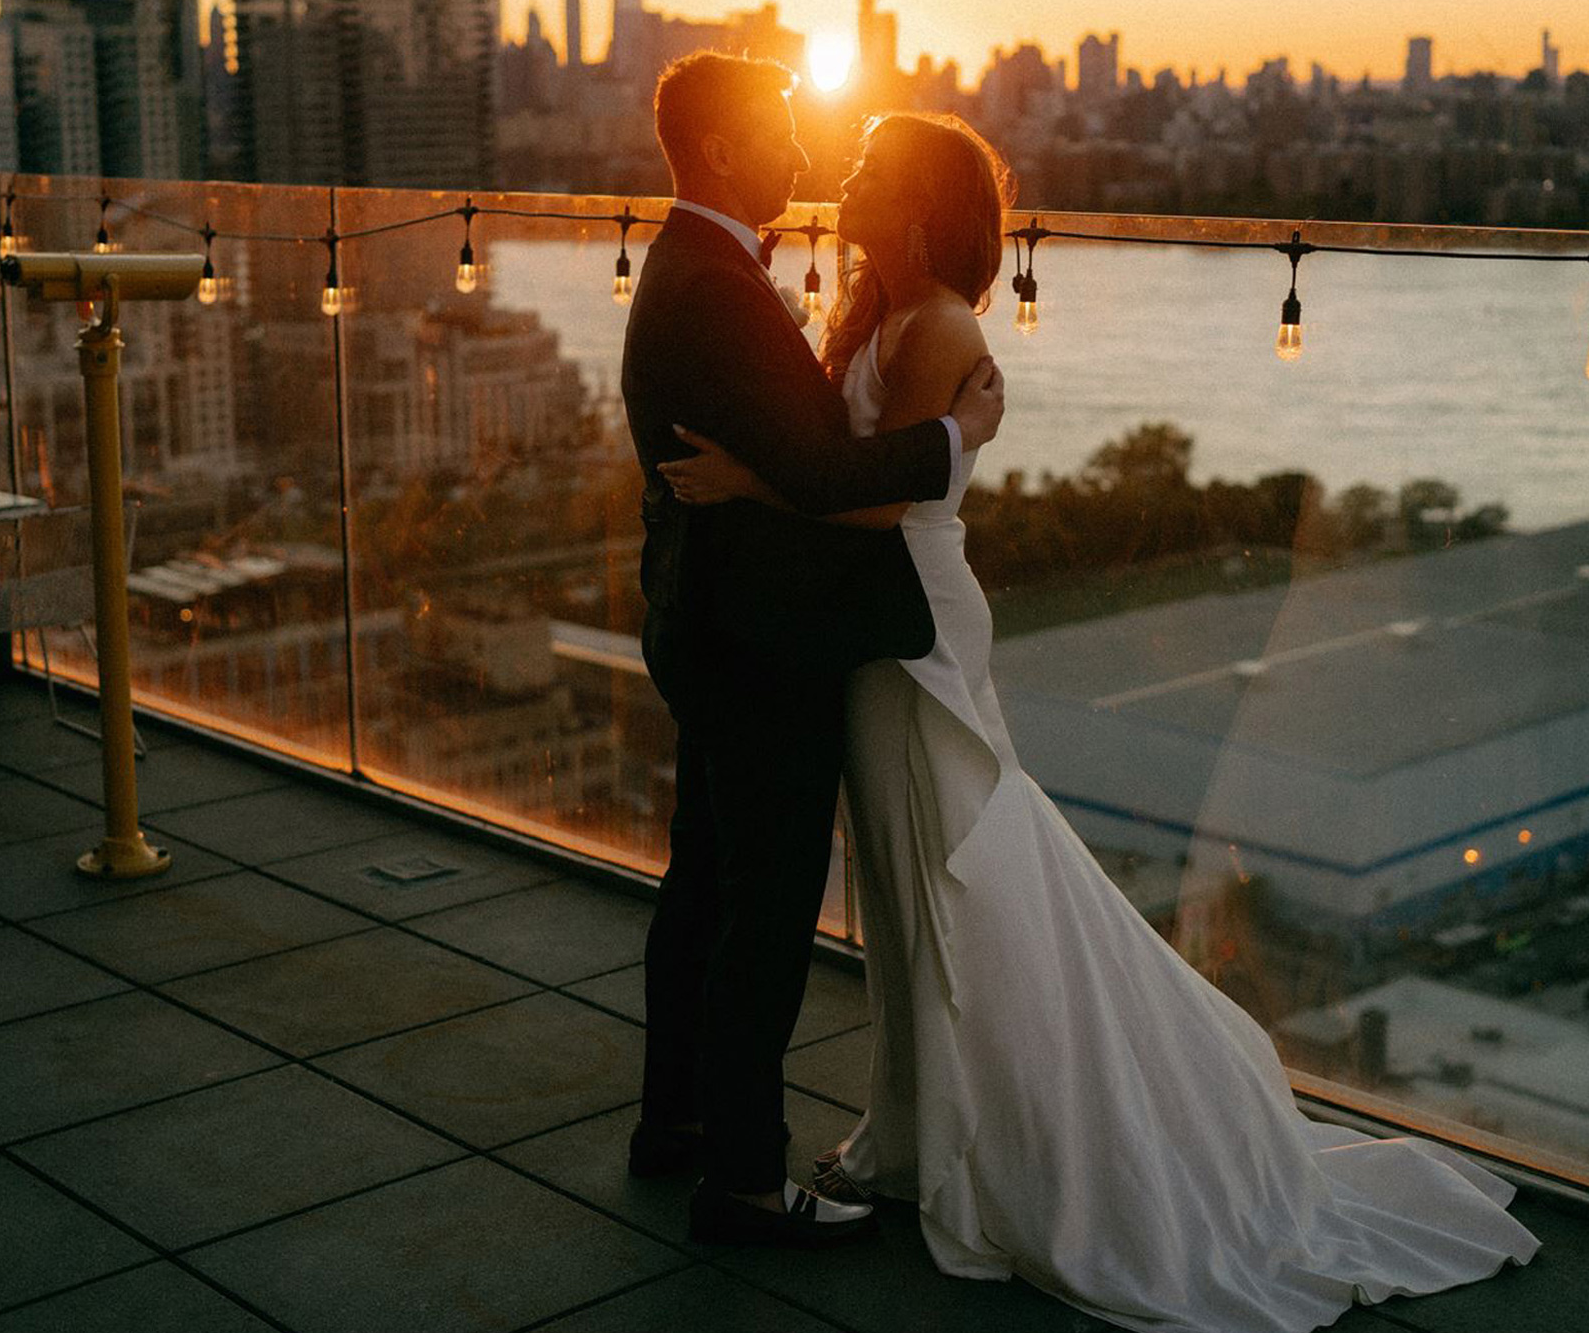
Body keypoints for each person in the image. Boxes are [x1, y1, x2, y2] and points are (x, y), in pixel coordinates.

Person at [657, 112, 1540, 1330]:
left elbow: (870, 501)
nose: (841, 179)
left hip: (910, 622)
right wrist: (822, 462)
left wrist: (764, 479)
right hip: (864, 631)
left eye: (866, 169)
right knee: (913, 887)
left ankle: (1023, 1135)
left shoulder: (944, 325)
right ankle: (915, 1130)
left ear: (916, 202)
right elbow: (842, 456)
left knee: (962, 870)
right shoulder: (873, 309)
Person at [619, 53, 1008, 1248]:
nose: (807, 154)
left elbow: (798, 463)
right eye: (785, 130)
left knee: (706, 885)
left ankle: (676, 1120)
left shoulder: (696, 265)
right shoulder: (724, 286)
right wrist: (957, 436)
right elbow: (828, 472)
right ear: (729, 149)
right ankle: (739, 1177)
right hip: (762, 644)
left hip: (719, 625)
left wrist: (758, 473)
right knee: (762, 910)